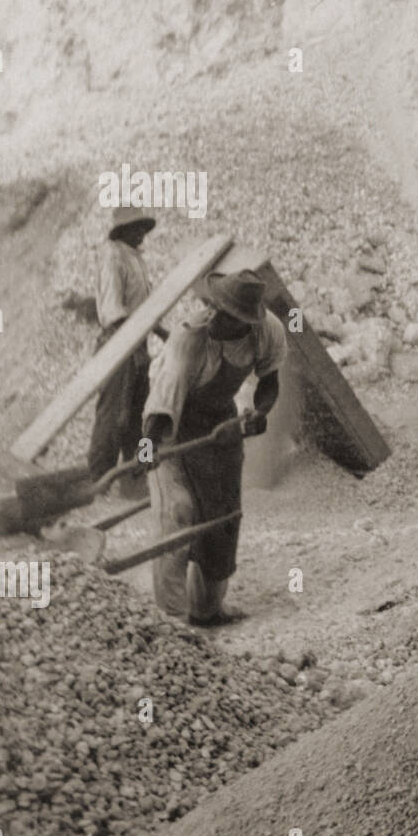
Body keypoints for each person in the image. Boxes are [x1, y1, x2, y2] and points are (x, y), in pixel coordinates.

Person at [142, 269, 286, 627]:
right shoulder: (189, 338)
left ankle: (207, 610)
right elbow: (163, 400)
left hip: (221, 425)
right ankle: (171, 619)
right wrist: (148, 448)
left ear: (245, 319)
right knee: (177, 511)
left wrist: (259, 413)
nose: (214, 315)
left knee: (223, 518)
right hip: (171, 424)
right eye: (214, 306)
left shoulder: (267, 331)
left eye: (226, 312)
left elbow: (269, 382)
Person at [87, 208, 169, 484]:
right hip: (117, 343)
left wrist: (162, 333)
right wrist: (131, 349)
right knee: (113, 417)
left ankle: (136, 479)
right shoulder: (112, 255)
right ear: (122, 229)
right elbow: (114, 311)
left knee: (139, 417)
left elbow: (143, 307)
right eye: (136, 228)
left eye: (143, 228)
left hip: (138, 344)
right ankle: (100, 479)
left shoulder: (136, 257)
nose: (142, 234)